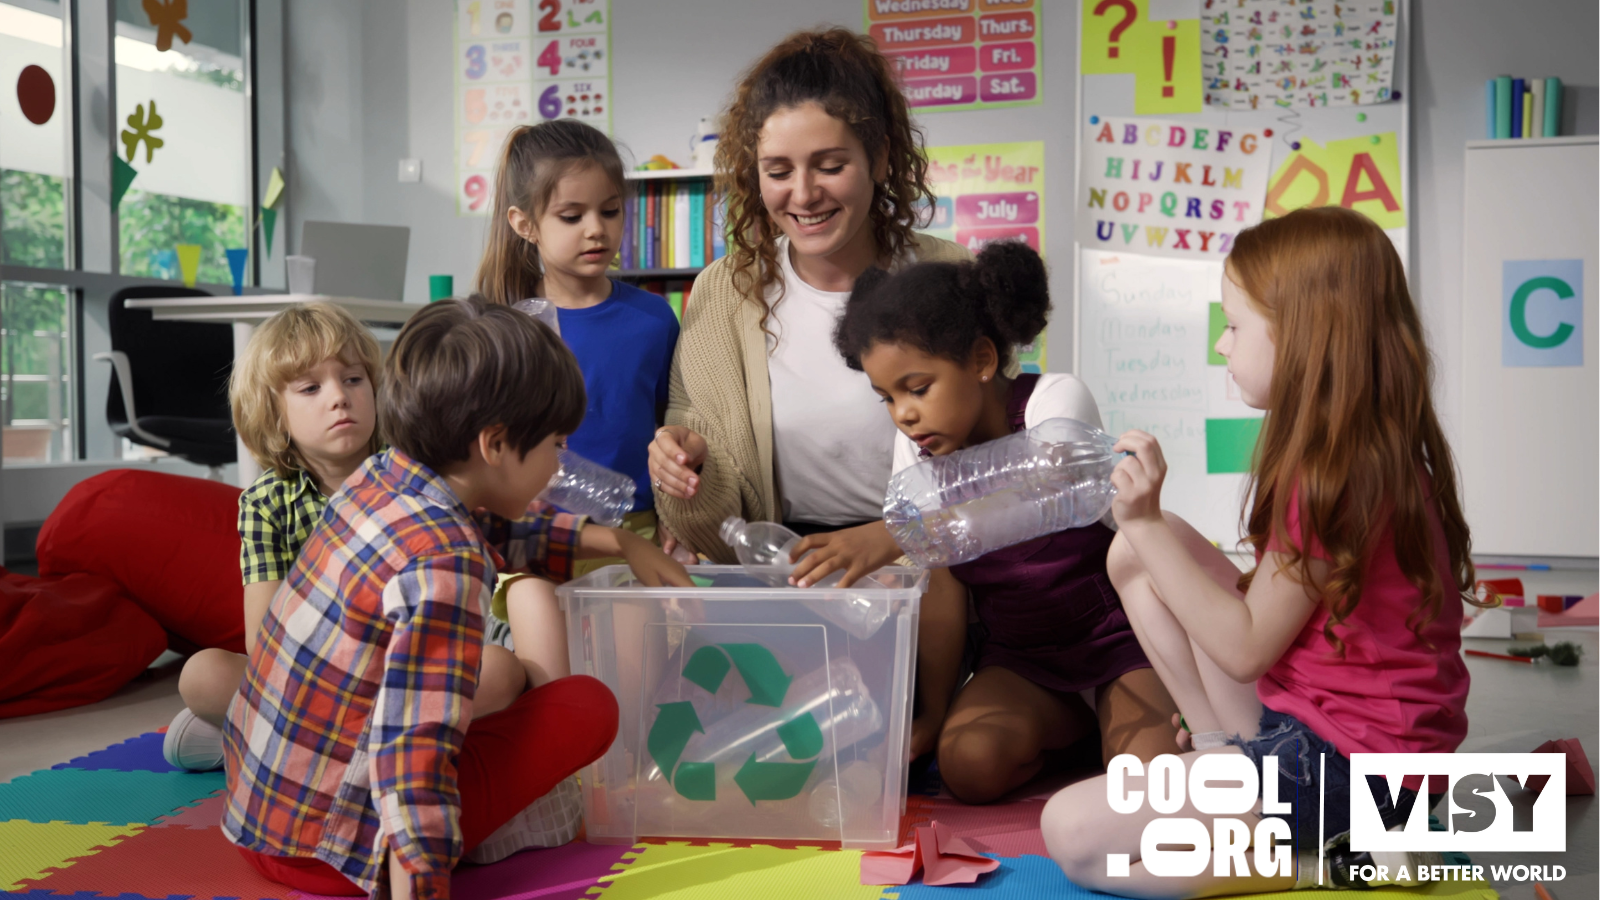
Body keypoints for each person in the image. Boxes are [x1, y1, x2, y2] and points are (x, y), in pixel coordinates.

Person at [1039, 207, 1476, 896]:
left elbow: (1244, 650)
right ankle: (1225, 757)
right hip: (1341, 742)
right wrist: (1146, 535)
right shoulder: (1357, 453)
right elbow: (1281, 610)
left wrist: (1149, 521)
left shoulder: (1338, 477)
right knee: (1132, 556)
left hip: (1349, 773)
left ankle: (1318, 862)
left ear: (1304, 335)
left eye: (1235, 327)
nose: (1222, 347)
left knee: (1073, 836)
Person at [221, 298, 692, 898]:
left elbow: (500, 527)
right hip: (332, 855)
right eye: (554, 447)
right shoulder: (444, 560)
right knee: (586, 708)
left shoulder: (385, 475)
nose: (557, 469)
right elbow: (411, 749)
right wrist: (421, 883)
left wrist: (623, 543)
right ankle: (483, 839)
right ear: (494, 445)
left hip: (262, 820)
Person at [834, 241, 1179, 803]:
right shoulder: (917, 454)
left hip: (1120, 642)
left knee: (1149, 792)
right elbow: (943, 589)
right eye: (887, 398)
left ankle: (1120, 725)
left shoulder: (1054, 397)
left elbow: (1049, 484)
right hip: (1024, 661)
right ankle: (1079, 735)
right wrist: (935, 715)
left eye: (918, 388)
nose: (904, 415)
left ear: (982, 360)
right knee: (966, 766)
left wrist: (898, 530)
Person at [647, 27, 978, 584]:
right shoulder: (724, 293)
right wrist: (688, 467)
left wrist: (893, 540)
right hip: (787, 577)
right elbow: (714, 530)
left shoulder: (949, 276)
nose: (802, 195)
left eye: (829, 166)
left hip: (938, 574)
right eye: (778, 171)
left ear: (878, 158)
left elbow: (1002, 466)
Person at [162, 302, 526, 771]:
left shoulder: (416, 472)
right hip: (321, 675)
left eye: (353, 379)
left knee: (500, 669)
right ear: (274, 412)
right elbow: (263, 642)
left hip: (414, 667)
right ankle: (367, 750)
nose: (339, 397)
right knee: (202, 675)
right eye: (311, 387)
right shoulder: (264, 504)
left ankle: (286, 747)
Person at [475, 119, 681, 685]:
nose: (596, 230)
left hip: (633, 530)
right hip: (535, 534)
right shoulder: (508, 329)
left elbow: (671, 423)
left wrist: (680, 519)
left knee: (631, 692)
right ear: (525, 224)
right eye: (572, 216)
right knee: (551, 680)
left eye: (610, 211)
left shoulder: (653, 318)